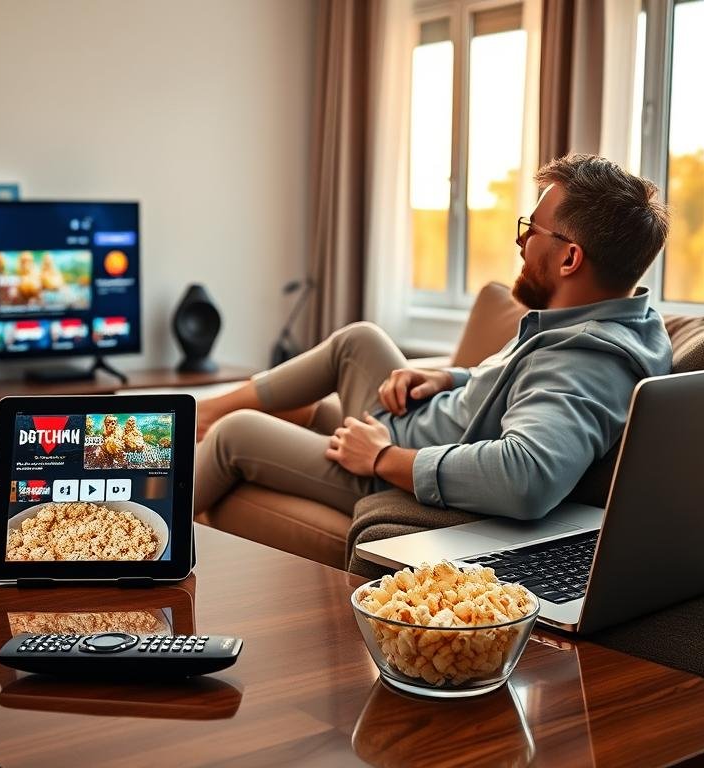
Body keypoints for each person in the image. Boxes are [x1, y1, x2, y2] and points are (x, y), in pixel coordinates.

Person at [196, 154, 673, 521]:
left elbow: (526, 478)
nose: (522, 243)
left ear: (570, 259)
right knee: (357, 341)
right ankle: (199, 414)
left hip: (393, 475)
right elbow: (520, 387)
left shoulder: (587, 361)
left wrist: (383, 457)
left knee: (237, 433)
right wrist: (450, 378)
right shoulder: (619, 319)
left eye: (532, 230)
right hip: (413, 422)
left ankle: (127, 550)